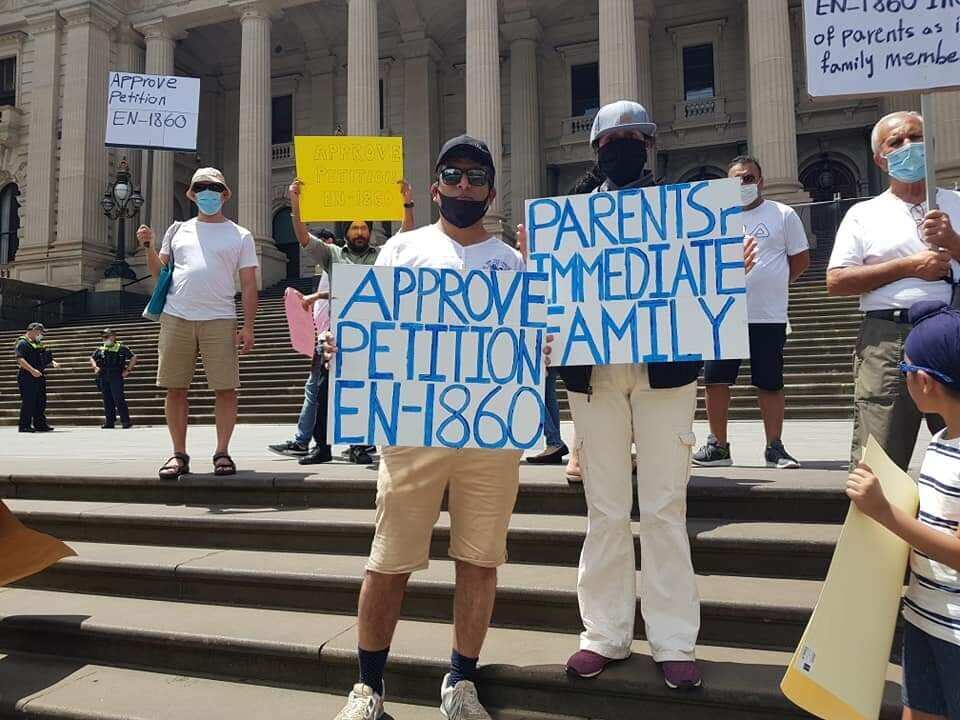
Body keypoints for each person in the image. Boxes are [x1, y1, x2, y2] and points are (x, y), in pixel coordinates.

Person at [327, 135, 527, 720]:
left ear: (490, 188)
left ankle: (460, 682)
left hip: (489, 434)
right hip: (413, 430)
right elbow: (373, 324)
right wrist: (349, 344)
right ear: (435, 184)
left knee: (480, 560)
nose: (464, 186)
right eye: (453, 174)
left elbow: (528, 338)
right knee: (388, 559)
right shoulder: (401, 250)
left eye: (476, 176)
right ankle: (368, 687)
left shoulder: (512, 263)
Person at [525, 100, 705, 689]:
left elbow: (702, 282)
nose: (625, 144)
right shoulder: (569, 218)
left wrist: (727, 261)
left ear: (649, 146)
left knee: (663, 509)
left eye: (635, 135)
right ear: (597, 149)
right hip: (594, 375)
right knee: (604, 509)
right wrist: (537, 265)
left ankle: (674, 639)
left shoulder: (683, 211)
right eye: (614, 137)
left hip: (666, 372)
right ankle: (603, 634)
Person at [846, 300, 960, 720]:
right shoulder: (943, 439)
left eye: (904, 371)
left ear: (925, 383)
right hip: (924, 616)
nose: (903, 379)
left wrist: (885, 513)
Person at [827, 111, 959, 471]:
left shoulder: (955, 204)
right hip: (887, 340)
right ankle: (875, 525)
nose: (908, 147)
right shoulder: (863, 214)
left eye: (915, 137)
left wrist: (953, 241)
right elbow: (836, 281)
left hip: (952, 336)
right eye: (896, 142)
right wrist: (907, 267)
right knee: (879, 453)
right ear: (879, 159)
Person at [269, 181, 415, 465]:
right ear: (346, 231)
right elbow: (302, 236)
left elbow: (406, 234)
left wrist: (406, 203)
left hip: (370, 334)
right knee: (323, 390)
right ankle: (320, 447)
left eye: (364, 228)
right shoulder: (332, 255)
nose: (360, 232)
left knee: (364, 391)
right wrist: (295, 201)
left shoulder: (381, 255)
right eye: (354, 227)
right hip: (337, 335)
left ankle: (360, 446)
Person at [136, 167, 259, 480]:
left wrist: (248, 326)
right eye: (201, 187)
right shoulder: (177, 230)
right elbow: (158, 274)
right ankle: (178, 454)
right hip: (177, 315)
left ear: (224, 194)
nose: (208, 192)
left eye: (214, 187)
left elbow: (248, 285)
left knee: (226, 389)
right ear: (192, 193)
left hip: (220, 318)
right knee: (175, 389)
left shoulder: (240, 234)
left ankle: (222, 452)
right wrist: (148, 245)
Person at [693, 155, 810, 469]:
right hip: (724, 313)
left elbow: (800, 260)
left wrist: (772, 285)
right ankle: (718, 446)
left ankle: (775, 447)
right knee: (715, 381)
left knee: (770, 382)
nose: (743, 184)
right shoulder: (716, 217)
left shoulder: (782, 214)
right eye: (736, 179)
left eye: (748, 178)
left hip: (767, 314)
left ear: (761, 180)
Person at [15, 322, 58, 433]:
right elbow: (20, 359)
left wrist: (52, 361)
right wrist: (32, 370)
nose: (42, 335)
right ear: (33, 330)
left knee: (41, 401)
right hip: (27, 376)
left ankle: (40, 424)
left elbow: (42, 354)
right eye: (40, 332)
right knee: (29, 401)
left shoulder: (36, 343)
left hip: (39, 375)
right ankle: (24, 425)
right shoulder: (23, 343)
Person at [90, 328, 136, 429]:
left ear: (114, 337)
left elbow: (133, 357)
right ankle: (109, 422)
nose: (105, 339)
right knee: (107, 399)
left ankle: (125, 421)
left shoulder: (121, 347)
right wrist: (95, 367)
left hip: (116, 375)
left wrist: (128, 370)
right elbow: (92, 358)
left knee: (119, 398)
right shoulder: (101, 349)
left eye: (107, 336)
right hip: (103, 375)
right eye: (103, 337)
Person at [526, 366, 569, 464]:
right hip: (551, 354)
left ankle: (554, 441)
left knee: (529, 392)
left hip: (536, 353)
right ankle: (554, 445)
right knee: (548, 394)